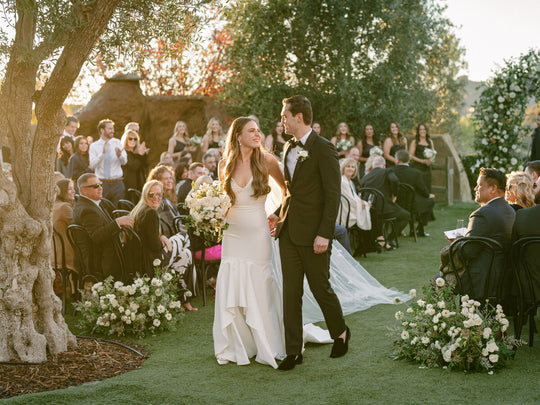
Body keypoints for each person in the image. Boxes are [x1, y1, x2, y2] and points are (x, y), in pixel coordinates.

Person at [270, 95, 350, 370]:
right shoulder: (287, 148)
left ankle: (340, 332)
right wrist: (279, 212)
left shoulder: (324, 149)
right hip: (288, 232)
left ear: (299, 117)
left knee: (320, 288)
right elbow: (292, 191)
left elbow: (332, 196)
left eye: (284, 116)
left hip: (315, 234)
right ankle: (293, 351)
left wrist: (325, 234)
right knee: (290, 292)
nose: (282, 121)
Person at [213, 116, 287, 368]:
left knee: (260, 286)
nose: (257, 134)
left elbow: (288, 191)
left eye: (258, 130)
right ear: (238, 136)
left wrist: (278, 213)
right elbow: (225, 201)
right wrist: (211, 212)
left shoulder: (267, 161)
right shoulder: (224, 164)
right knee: (233, 284)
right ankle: (241, 344)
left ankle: (267, 342)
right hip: (232, 235)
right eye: (251, 131)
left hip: (258, 234)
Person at [441, 168, 515, 297]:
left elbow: (467, 252)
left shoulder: (482, 214)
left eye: (479, 185)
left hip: (481, 279)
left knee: (437, 281)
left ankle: (446, 317)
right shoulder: (510, 210)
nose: (475, 189)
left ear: (493, 188)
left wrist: (457, 242)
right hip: (506, 278)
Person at [131, 179, 195, 311]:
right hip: (154, 261)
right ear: (145, 195)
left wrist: (161, 236)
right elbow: (155, 246)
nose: (156, 198)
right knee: (185, 237)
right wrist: (166, 244)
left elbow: (148, 236)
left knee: (185, 254)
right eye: (152, 194)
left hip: (145, 259)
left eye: (159, 195)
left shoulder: (140, 210)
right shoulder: (151, 213)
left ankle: (182, 299)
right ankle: (186, 296)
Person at [73, 173, 134, 280]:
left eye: (100, 184)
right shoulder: (87, 210)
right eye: (96, 186)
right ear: (84, 191)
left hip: (104, 254)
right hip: (100, 262)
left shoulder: (92, 203)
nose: (100, 188)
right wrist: (117, 223)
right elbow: (97, 236)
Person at [360, 155, 410, 243]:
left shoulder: (366, 176)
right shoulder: (387, 171)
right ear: (384, 165)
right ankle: (390, 239)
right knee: (406, 216)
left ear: (373, 165)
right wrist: (394, 195)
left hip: (370, 209)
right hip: (385, 208)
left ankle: (383, 236)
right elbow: (394, 181)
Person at [392, 150, 435, 237]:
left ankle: (413, 229)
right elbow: (423, 189)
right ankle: (419, 228)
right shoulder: (416, 173)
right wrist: (429, 195)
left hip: (394, 202)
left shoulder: (390, 171)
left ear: (397, 160)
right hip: (411, 205)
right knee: (431, 201)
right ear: (409, 160)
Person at [89, 119, 127, 205]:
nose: (112, 131)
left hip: (117, 184)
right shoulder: (94, 146)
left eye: (112, 128)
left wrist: (119, 155)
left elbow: (124, 162)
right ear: (102, 130)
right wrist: (102, 154)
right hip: (101, 184)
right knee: (103, 209)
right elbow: (92, 165)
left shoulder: (117, 142)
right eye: (110, 129)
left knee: (118, 210)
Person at [52, 179, 77, 295]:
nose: (74, 191)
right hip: (64, 254)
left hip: (53, 251)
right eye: (70, 189)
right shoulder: (64, 207)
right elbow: (78, 229)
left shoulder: (53, 205)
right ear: (62, 191)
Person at [147, 165, 180, 237]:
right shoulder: (159, 202)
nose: (169, 181)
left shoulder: (167, 199)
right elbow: (172, 229)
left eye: (170, 178)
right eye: (166, 179)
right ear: (158, 182)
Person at [339, 158, 371, 231]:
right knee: (371, 213)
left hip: (350, 209)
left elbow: (354, 197)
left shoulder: (349, 181)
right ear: (343, 168)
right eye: (348, 166)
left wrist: (363, 202)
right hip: (345, 213)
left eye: (353, 167)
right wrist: (364, 204)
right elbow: (351, 201)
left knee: (370, 211)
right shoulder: (343, 182)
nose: (350, 169)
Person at [409, 124, 435, 193]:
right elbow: (410, 156)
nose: (422, 131)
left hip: (427, 168)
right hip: (417, 168)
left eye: (424, 129)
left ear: (426, 131)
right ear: (418, 131)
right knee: (419, 186)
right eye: (420, 129)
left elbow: (433, 154)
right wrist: (422, 161)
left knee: (427, 185)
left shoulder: (430, 141)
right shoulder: (415, 142)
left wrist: (430, 160)